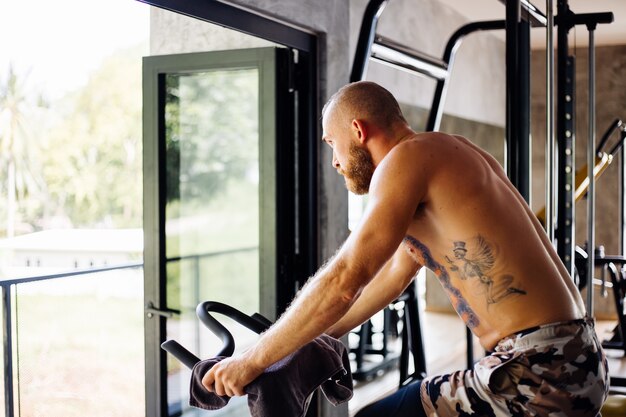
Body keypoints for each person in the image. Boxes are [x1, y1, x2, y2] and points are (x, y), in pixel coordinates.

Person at [202, 81, 609, 416]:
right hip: (577, 359)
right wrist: (301, 344)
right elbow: (388, 281)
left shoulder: (405, 161)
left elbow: (346, 278)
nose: (334, 161)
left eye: (332, 143)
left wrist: (253, 360)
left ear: (358, 131)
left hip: (538, 370)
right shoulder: (451, 154)